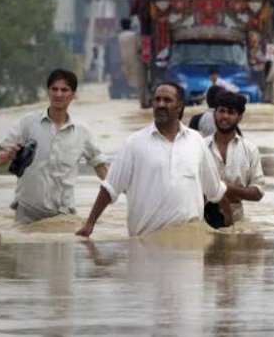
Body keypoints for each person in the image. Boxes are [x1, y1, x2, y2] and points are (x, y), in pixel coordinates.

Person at [76, 83, 232, 237]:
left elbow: (215, 190)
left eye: (167, 100)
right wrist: (90, 224)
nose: (161, 104)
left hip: (190, 246)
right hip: (146, 244)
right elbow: (110, 188)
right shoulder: (134, 143)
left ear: (179, 106)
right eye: (157, 100)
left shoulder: (196, 141)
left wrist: (230, 225)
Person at [0, 69, 107, 223]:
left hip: (63, 217)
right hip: (26, 215)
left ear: (73, 95)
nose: (58, 94)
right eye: (54, 89)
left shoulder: (82, 132)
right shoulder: (27, 124)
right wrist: (8, 154)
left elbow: (101, 169)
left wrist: (125, 192)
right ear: (47, 91)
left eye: (64, 90)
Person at [204, 92, 265, 227]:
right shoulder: (200, 147)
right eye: (221, 111)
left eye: (231, 112)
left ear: (239, 118)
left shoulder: (250, 150)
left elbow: (258, 192)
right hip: (201, 222)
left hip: (236, 224)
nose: (225, 116)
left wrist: (229, 188)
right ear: (215, 114)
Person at [118, 18, 145, 106]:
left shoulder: (120, 37)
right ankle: (142, 102)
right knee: (140, 82)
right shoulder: (134, 35)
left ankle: (141, 101)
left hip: (125, 62)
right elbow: (140, 47)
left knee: (132, 82)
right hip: (135, 61)